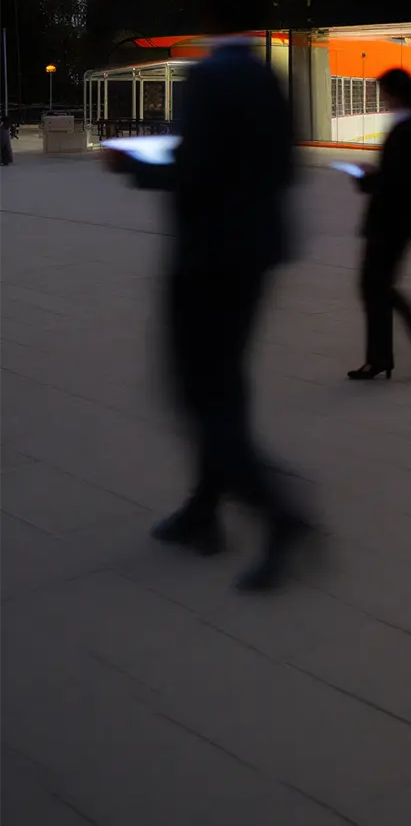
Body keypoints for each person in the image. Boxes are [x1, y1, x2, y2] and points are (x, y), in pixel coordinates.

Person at [134, 33, 311, 593]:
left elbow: (196, 168)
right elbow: (286, 169)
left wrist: (137, 169)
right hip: (255, 258)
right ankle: (205, 510)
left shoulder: (208, 78)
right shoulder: (269, 80)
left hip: (209, 258)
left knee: (199, 393)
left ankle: (280, 515)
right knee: (224, 385)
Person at [346, 68, 411, 381]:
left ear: (396, 92)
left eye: (384, 92)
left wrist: (367, 179)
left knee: (374, 286)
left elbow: (400, 179)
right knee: (378, 286)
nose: (383, 99)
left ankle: (385, 355)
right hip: (399, 217)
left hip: (394, 218)